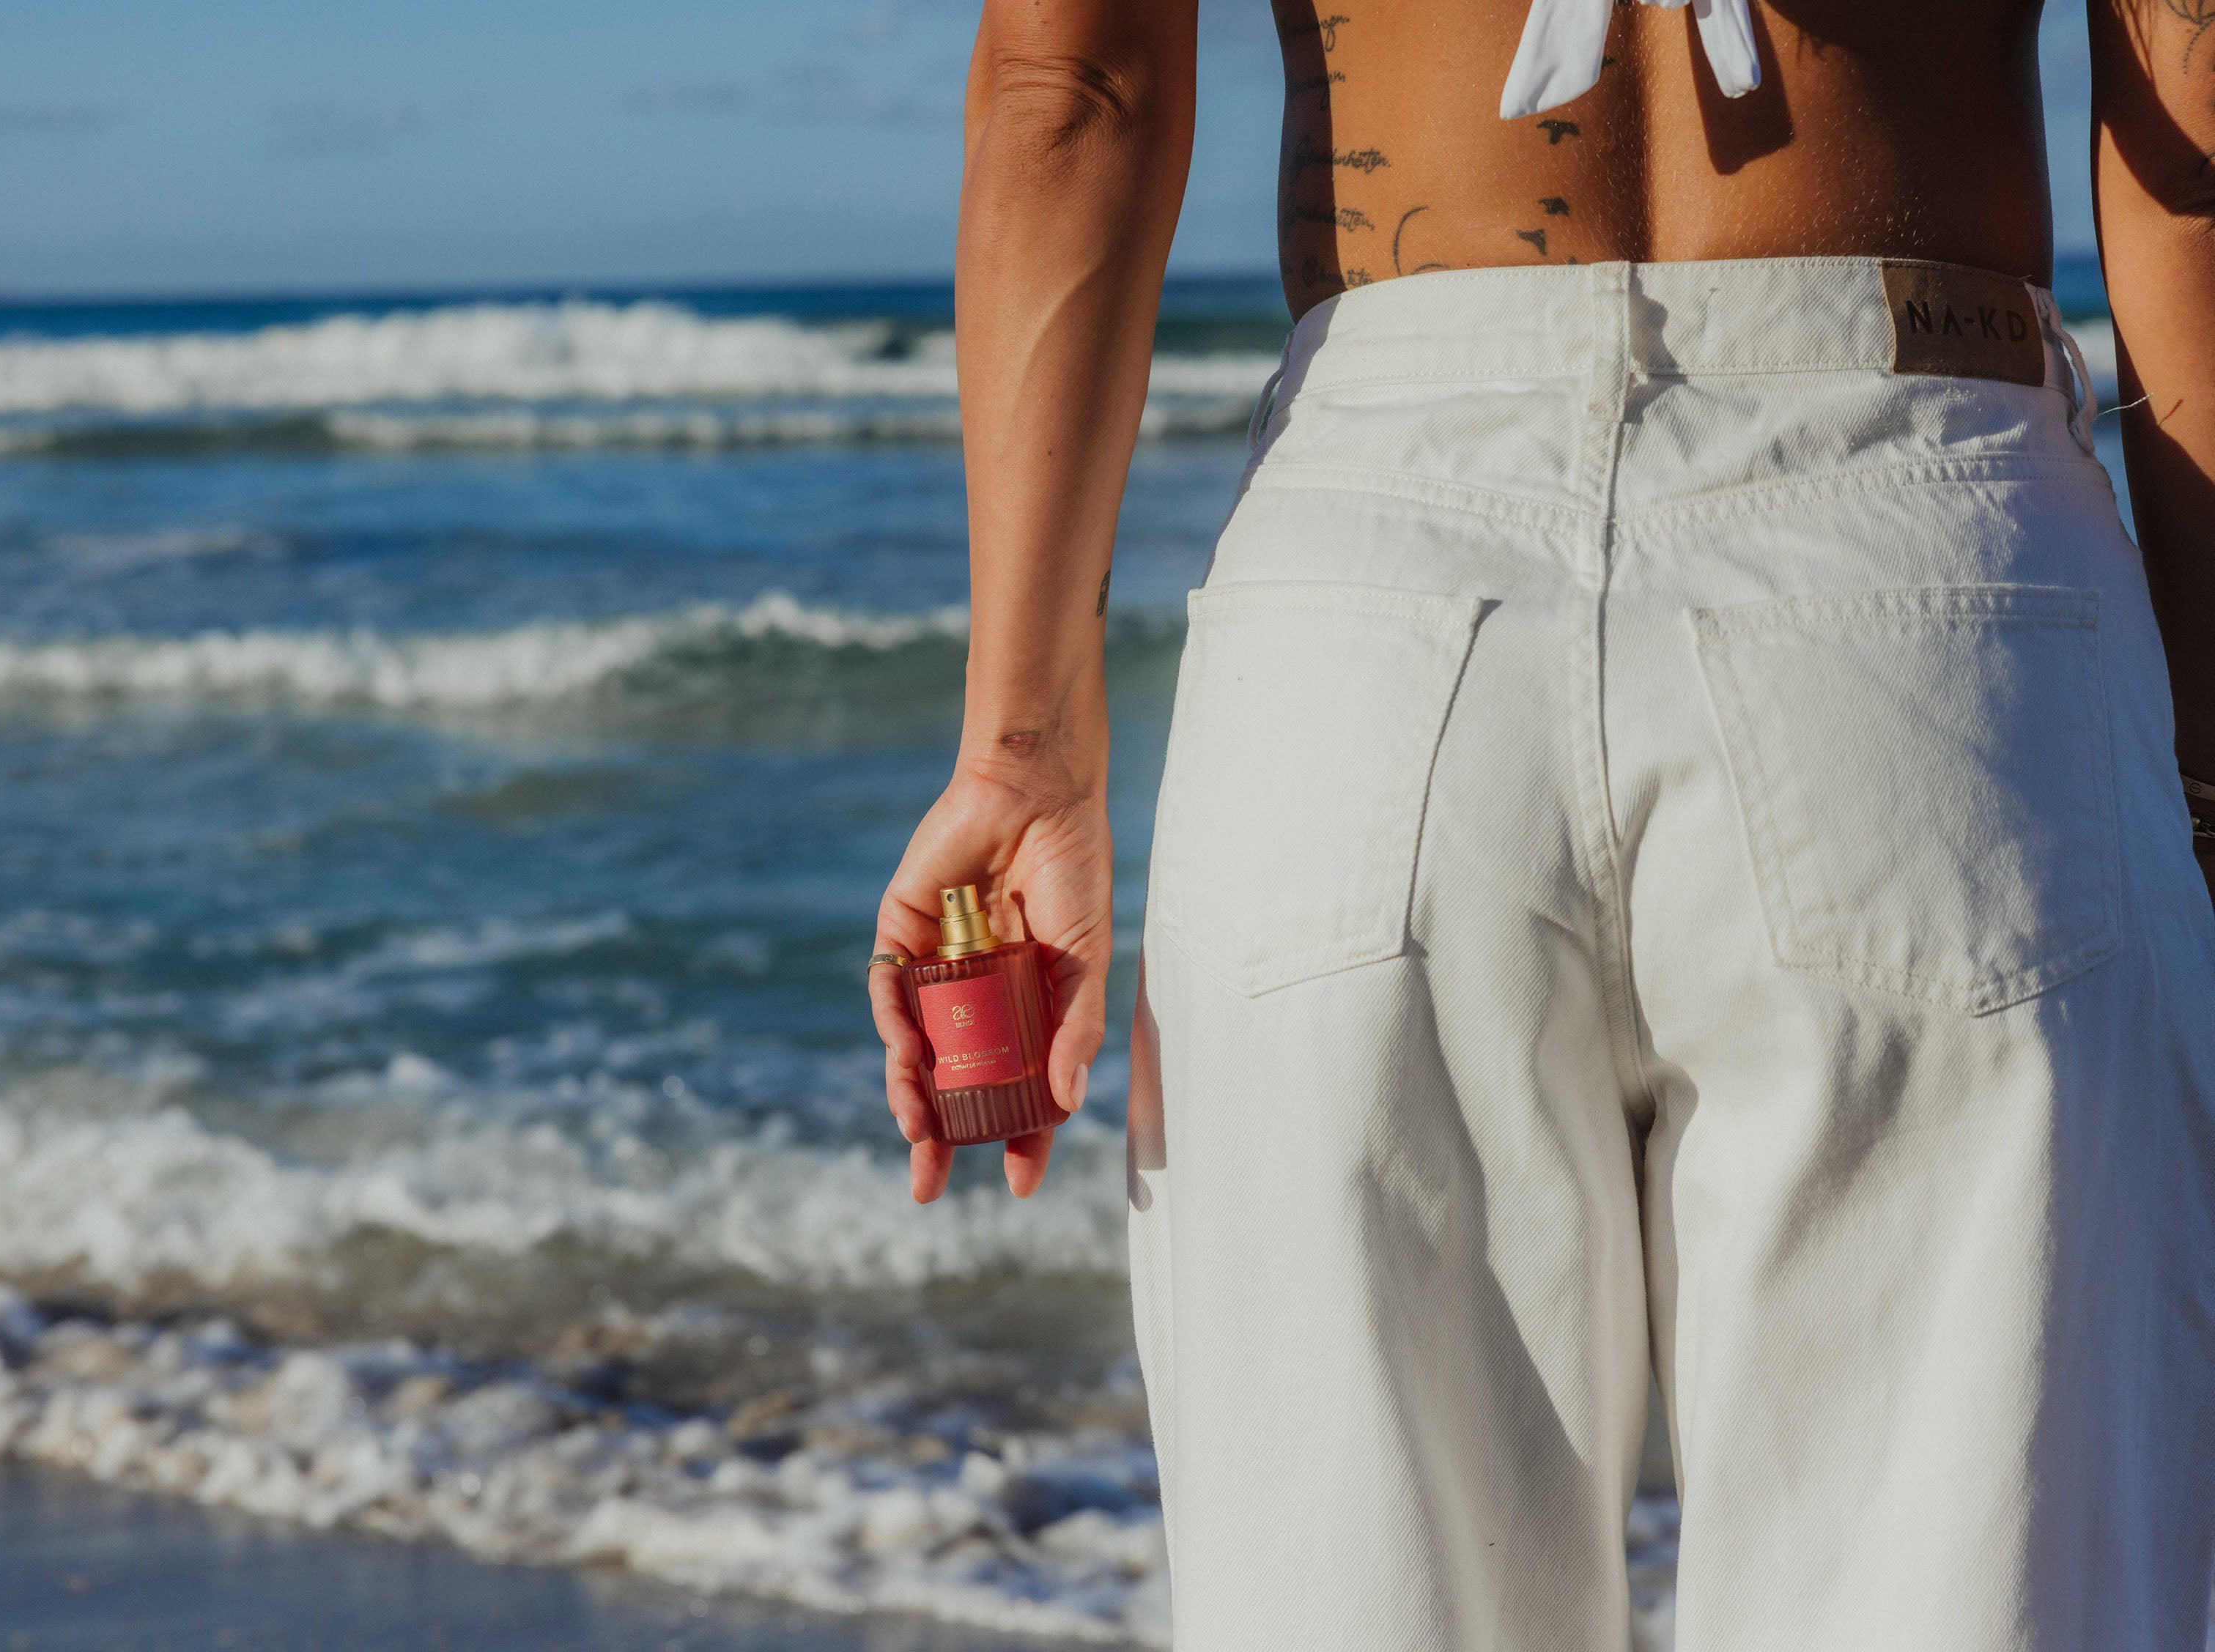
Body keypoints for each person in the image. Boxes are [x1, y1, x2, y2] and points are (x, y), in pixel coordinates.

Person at [868, 0, 2215, 1642]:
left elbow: (1066, 86)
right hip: (1923, 558)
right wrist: (2200, 766)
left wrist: (1020, 746)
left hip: (1367, 598)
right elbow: (2189, 86)